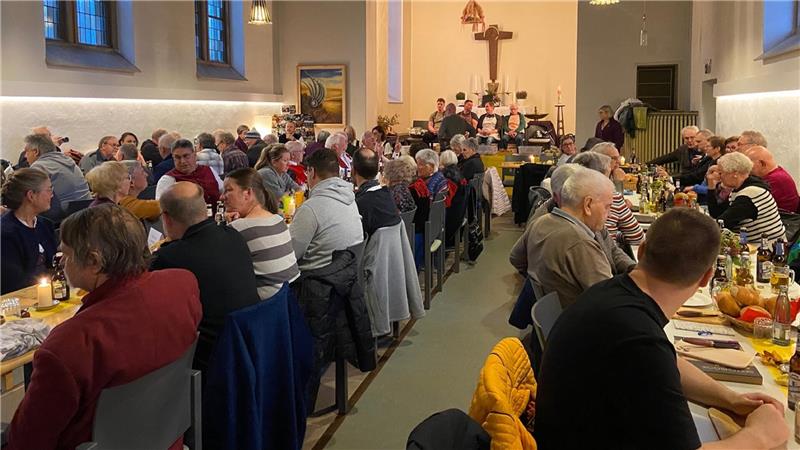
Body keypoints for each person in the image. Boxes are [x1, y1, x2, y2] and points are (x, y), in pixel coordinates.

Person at [534, 208, 788, 450]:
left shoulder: (613, 293)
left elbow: (668, 362)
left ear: (641, 251)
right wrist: (761, 436)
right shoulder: (637, 337)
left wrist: (730, 399)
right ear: (706, 278)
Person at [6, 204, 202, 450]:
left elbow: (27, 441)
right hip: (166, 436)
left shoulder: (70, 344)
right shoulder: (182, 284)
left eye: (65, 255)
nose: (62, 264)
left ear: (94, 262)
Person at [152, 182, 260, 371]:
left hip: (207, 361)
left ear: (166, 219)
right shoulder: (233, 235)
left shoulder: (169, 258)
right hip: (250, 343)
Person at [509, 168, 615, 308]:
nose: (610, 214)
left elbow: (515, 258)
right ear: (588, 205)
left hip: (555, 316)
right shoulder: (581, 243)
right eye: (607, 207)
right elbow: (611, 302)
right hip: (579, 322)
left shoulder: (541, 222)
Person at [529, 164, 635, 275]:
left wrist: (634, 270)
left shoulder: (591, 219)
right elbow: (603, 288)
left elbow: (613, 250)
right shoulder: (578, 241)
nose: (609, 215)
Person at [222, 168, 300, 300]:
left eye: (228, 190)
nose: (222, 196)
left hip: (264, 308)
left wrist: (228, 226)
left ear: (247, 193)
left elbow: (221, 268)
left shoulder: (239, 228)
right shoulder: (278, 220)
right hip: (291, 302)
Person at [290, 149, 363, 271]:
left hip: (316, 282)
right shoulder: (350, 200)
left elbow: (290, 255)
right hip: (347, 277)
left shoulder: (310, 209)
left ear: (312, 172)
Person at [0, 169, 58, 294]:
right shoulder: (6, 234)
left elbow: (54, 264)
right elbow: (13, 283)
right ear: (31, 195)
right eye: (49, 190)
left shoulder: (45, 225)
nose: (52, 195)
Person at [707, 152, 786, 242]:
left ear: (734, 173)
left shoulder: (750, 195)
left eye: (721, 173)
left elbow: (721, 224)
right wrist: (711, 185)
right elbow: (716, 213)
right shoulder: (740, 189)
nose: (719, 177)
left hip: (764, 248)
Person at [23, 134, 92, 217]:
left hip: (62, 218)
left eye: (26, 151)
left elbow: (32, 198)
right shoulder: (68, 160)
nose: (25, 156)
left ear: (36, 152)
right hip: (86, 211)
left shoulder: (39, 166)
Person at [587, 145, 644, 245]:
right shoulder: (611, 196)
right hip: (605, 255)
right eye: (614, 158)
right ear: (601, 161)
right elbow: (636, 237)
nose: (618, 162)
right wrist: (616, 235)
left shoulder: (576, 191)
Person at [155, 138, 223, 205]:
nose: (182, 161)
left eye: (186, 156)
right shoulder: (168, 180)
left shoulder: (209, 170)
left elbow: (223, 191)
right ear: (173, 158)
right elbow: (160, 207)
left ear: (195, 155)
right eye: (177, 157)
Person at [352, 148, 401, 237]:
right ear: (378, 169)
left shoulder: (359, 203)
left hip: (371, 249)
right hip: (394, 249)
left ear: (353, 170)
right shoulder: (388, 194)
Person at [746, 146, 799, 213]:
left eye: (749, 166)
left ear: (762, 164)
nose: (747, 170)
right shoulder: (778, 174)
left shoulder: (775, 180)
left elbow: (750, 206)